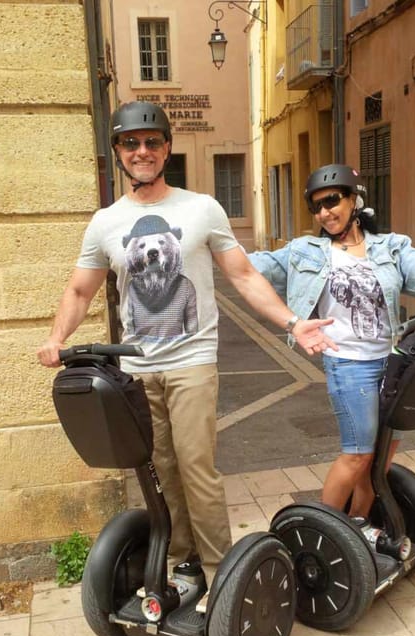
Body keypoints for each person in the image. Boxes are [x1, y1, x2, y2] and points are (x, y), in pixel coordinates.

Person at [37, 101, 336, 591]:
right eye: (131, 143)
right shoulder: (105, 223)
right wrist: (56, 338)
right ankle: (182, 561)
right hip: (135, 368)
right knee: (159, 471)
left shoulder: (201, 209)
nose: (142, 151)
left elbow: (242, 275)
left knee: (196, 467)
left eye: (152, 142)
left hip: (192, 363)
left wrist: (293, 321)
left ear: (167, 148)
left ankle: (223, 574)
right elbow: (79, 290)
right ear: (118, 151)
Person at [249, 163, 415, 520]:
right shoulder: (304, 253)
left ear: (354, 200)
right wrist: (202, 251)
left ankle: (359, 525)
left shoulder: (390, 249)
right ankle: (321, 532)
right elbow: (249, 266)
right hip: (348, 365)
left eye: (332, 201)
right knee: (357, 455)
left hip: (392, 364)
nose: (324, 212)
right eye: (316, 206)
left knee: (379, 458)